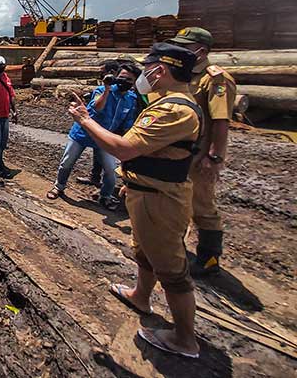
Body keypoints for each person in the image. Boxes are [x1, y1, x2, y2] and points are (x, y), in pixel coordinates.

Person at [68, 43, 202, 359]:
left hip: (162, 200)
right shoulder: (164, 102)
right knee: (144, 252)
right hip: (146, 192)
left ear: (160, 71)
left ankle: (185, 338)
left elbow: (124, 148)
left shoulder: (175, 110)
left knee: (171, 269)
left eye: (148, 69)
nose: (142, 75)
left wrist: (85, 120)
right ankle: (141, 296)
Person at [168, 27, 236, 276]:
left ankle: (209, 259)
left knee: (202, 204)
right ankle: (176, 249)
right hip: (180, 152)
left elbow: (221, 121)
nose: (178, 50)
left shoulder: (215, 79)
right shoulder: (184, 75)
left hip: (200, 155)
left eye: (184, 47)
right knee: (176, 201)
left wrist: (215, 157)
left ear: (201, 51)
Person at [47, 63, 141, 210]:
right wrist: (108, 90)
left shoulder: (131, 99)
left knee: (111, 170)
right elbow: (97, 108)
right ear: (116, 77)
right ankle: (59, 186)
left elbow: (127, 123)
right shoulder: (101, 90)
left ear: (134, 82)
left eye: (129, 79)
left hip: (105, 138)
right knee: (67, 163)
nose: (124, 81)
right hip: (82, 134)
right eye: (121, 77)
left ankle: (106, 196)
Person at [76, 60, 121, 187]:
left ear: (111, 73)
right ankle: (95, 177)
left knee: (109, 162)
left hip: (111, 128)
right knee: (98, 154)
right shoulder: (102, 89)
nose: (101, 75)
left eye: (103, 72)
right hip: (101, 126)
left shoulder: (122, 91)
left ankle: (109, 190)